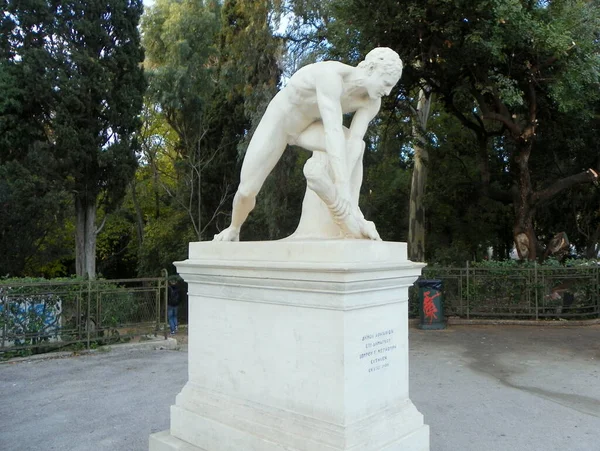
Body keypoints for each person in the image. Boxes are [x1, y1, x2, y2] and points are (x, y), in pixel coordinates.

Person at [214, 47, 403, 242]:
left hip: (308, 129)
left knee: (352, 145)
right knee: (247, 190)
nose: (387, 92)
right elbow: (333, 130)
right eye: (386, 83)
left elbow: (354, 142)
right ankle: (234, 229)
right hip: (281, 121)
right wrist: (341, 184)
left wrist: (346, 197)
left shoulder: (372, 102)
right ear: (371, 68)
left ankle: (353, 215)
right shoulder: (330, 76)